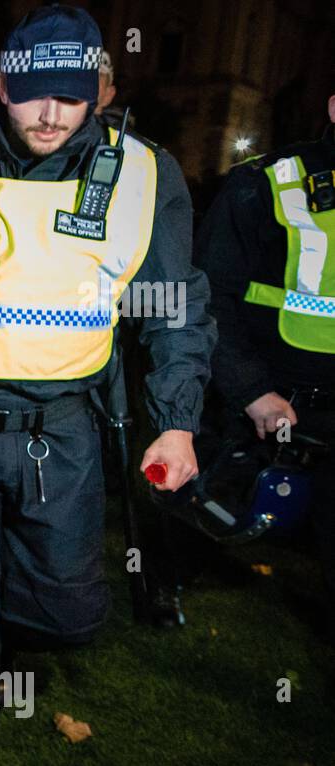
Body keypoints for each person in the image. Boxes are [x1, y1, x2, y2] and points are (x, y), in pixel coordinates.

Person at [0, 4, 215, 766]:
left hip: (65, 431)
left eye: (70, 97)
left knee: (68, 615)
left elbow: (173, 306)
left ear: (98, 92)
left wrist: (175, 421)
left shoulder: (146, 173)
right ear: (2, 85)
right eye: (34, 95)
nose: (49, 115)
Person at [193, 92, 335, 640]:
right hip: (264, 404)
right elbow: (207, 291)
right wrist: (250, 390)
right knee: (205, 522)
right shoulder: (266, 182)